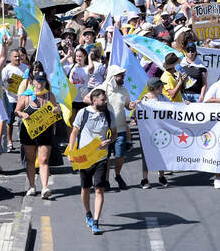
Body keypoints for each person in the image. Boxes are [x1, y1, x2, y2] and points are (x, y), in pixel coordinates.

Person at [69, 87, 113, 235]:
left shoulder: (108, 114)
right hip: (85, 157)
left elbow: (114, 135)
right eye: (102, 99)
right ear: (94, 101)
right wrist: (71, 150)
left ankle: (96, 221)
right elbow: (74, 132)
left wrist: (109, 141)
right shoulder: (84, 112)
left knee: (99, 189)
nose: (105, 101)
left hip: (101, 157)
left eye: (105, 99)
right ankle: (88, 213)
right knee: (85, 188)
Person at [16, 73, 61, 198]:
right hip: (29, 131)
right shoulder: (26, 96)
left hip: (45, 131)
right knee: (30, 160)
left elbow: (56, 108)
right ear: (33, 82)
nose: (40, 83)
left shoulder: (49, 95)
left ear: (46, 82)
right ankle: (31, 186)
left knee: (44, 160)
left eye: (42, 80)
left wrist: (56, 109)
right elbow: (17, 110)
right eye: (38, 80)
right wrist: (22, 114)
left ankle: (45, 188)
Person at [101, 65, 135, 190]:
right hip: (106, 130)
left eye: (123, 75)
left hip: (120, 129)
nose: (123, 77)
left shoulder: (124, 91)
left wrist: (131, 105)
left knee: (120, 156)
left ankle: (118, 175)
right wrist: (100, 102)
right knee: (107, 156)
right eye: (120, 75)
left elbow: (127, 105)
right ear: (113, 76)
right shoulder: (103, 88)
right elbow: (87, 98)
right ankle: (105, 180)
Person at [139, 78, 170, 188]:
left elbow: (173, 108)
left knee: (161, 154)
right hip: (147, 132)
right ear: (155, 88)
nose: (163, 88)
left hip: (161, 131)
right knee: (146, 155)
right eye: (161, 86)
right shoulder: (145, 99)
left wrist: (184, 104)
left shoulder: (162, 97)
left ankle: (161, 177)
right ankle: (145, 179)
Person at [1, 49, 27, 152]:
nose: (17, 58)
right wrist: (7, 82)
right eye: (15, 56)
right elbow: (2, 83)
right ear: (10, 57)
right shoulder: (6, 69)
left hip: (23, 98)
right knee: (10, 121)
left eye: (19, 56)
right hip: (11, 98)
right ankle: (9, 142)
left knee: (23, 120)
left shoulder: (25, 68)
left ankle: (24, 141)